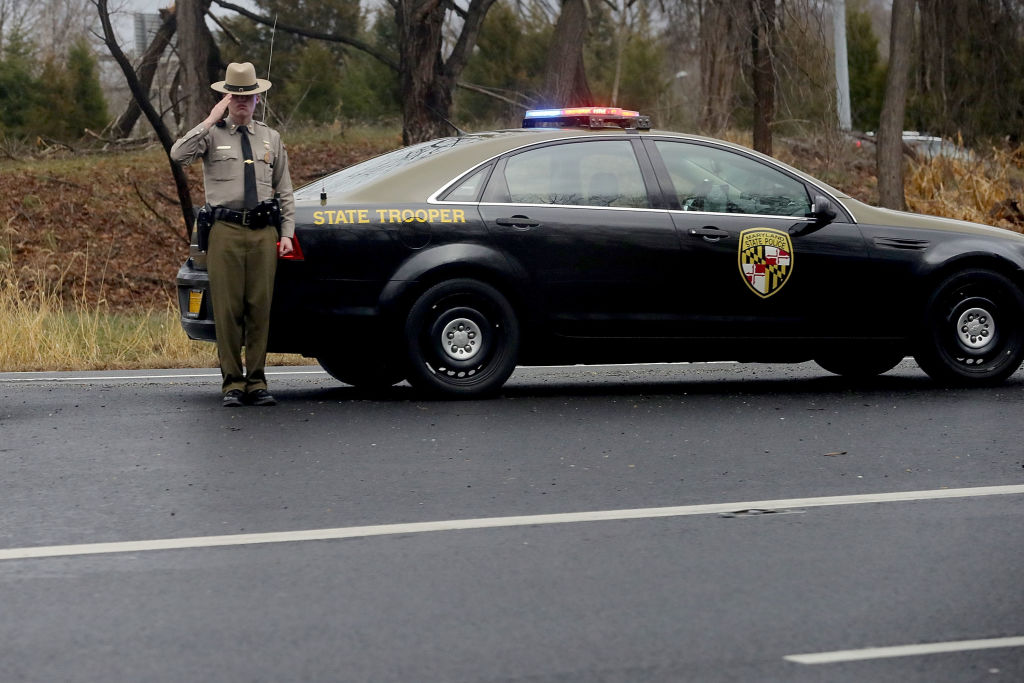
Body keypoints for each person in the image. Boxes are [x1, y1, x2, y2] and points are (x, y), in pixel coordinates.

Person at [170, 62, 295, 407]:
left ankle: (257, 382)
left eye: (248, 97)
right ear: (226, 99)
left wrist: (286, 232)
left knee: (259, 308)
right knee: (227, 310)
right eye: (235, 97)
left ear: (257, 100)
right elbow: (178, 155)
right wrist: (210, 119)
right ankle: (232, 384)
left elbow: (284, 189)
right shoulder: (212, 135)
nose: (242, 103)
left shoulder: (271, 138)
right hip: (224, 231)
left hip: (262, 232)